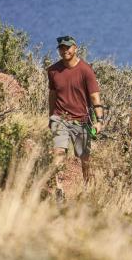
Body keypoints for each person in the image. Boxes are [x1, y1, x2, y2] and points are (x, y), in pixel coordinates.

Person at [47, 35, 103, 200]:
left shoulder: (85, 70)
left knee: (84, 158)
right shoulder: (53, 71)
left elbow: (94, 97)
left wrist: (99, 120)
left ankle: (87, 190)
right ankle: (59, 191)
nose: (65, 51)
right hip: (60, 118)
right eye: (62, 48)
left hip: (81, 120)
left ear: (75, 48)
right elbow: (52, 95)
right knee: (58, 153)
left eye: (68, 47)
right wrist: (51, 117)